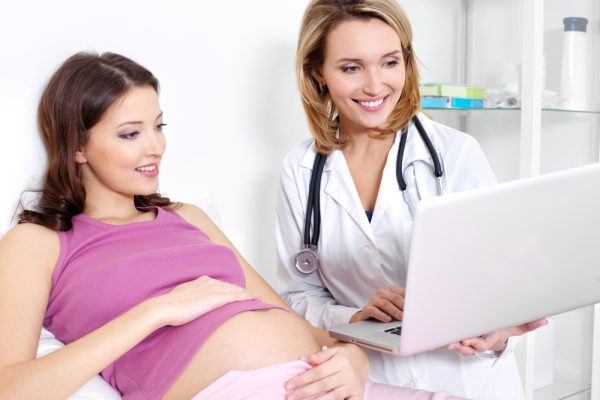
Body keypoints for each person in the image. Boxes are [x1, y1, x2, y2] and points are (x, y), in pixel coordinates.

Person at [0, 51, 473, 400]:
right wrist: (156, 311)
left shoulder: (188, 217)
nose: (155, 148)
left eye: (159, 127)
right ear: (77, 145)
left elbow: (293, 324)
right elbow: (10, 386)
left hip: (330, 383)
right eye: (130, 133)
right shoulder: (37, 242)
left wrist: (351, 357)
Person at [276, 1, 547, 399]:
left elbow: (504, 280)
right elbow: (297, 297)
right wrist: (354, 314)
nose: (375, 85)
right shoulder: (301, 169)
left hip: (465, 378)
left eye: (389, 62)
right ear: (318, 72)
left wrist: (499, 332)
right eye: (351, 68)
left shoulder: (454, 155)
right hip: (368, 380)